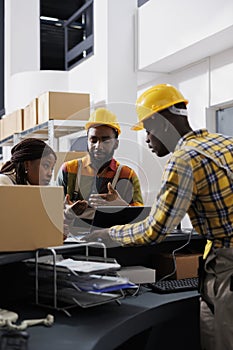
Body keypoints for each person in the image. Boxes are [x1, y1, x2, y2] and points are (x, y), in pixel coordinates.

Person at [83, 84, 233, 350]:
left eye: (148, 131)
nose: (147, 140)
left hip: (227, 270)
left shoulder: (183, 160)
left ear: (161, 123)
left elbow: (156, 230)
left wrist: (107, 234)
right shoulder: (225, 143)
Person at [56, 107, 144, 233]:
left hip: (111, 242)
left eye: (105, 140)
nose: (98, 146)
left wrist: (123, 207)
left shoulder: (127, 174)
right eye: (94, 140)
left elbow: (140, 220)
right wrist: (67, 213)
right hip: (73, 243)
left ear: (116, 144)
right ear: (87, 141)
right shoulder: (68, 170)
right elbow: (50, 215)